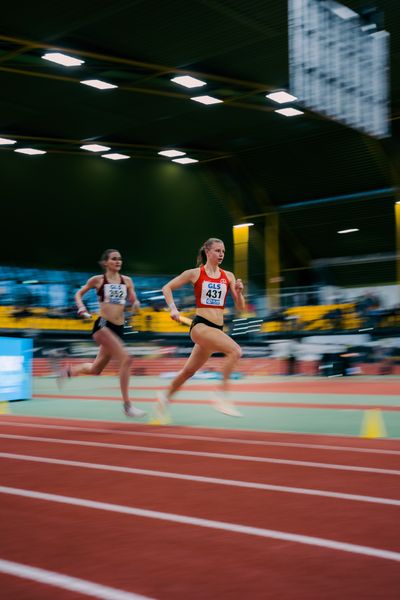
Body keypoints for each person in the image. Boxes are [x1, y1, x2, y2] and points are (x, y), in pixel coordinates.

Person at [155, 237, 245, 421]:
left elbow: (241, 307)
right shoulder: (194, 273)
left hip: (216, 330)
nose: (221, 255)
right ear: (207, 251)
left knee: (188, 372)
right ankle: (222, 395)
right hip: (201, 326)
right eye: (218, 251)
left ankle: (164, 397)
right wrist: (173, 308)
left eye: (223, 252)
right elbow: (167, 288)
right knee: (236, 351)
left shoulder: (228, 276)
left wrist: (240, 292)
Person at [60, 249, 146, 419]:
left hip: (118, 329)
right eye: (114, 259)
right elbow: (78, 293)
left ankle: (69, 371)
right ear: (106, 262)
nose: (118, 261)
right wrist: (82, 308)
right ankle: (127, 406)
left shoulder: (127, 281)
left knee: (96, 369)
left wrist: (136, 304)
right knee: (126, 359)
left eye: (120, 259)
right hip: (102, 326)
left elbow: (133, 300)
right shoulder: (98, 280)